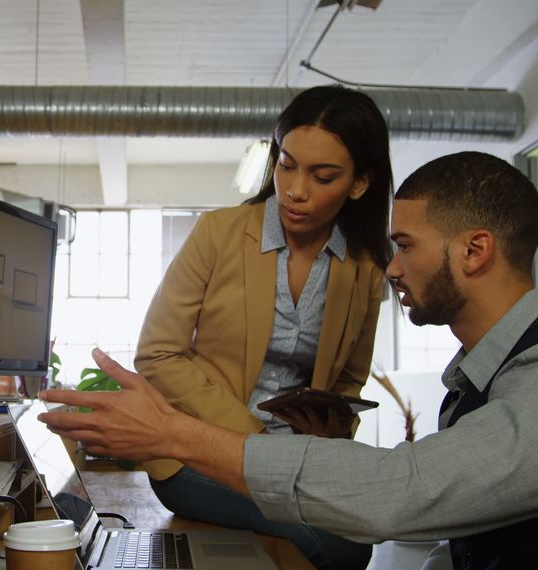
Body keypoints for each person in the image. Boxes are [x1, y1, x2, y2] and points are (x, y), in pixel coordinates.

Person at [40, 152, 538, 569]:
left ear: (475, 250)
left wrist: (175, 432)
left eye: (405, 246)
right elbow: (468, 547)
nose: (390, 267)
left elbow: (402, 493)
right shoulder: (487, 379)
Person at [133, 84, 392, 569]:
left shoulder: (365, 267)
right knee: (346, 544)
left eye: (323, 176)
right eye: (287, 163)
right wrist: (251, 439)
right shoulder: (218, 233)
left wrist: (331, 429)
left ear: (359, 184)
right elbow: (157, 354)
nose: (295, 189)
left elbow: (347, 382)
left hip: (300, 460)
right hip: (199, 451)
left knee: (366, 523)